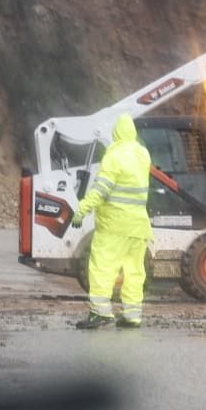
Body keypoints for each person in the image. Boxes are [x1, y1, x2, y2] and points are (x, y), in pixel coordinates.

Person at [72, 113, 153, 330]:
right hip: (138, 227)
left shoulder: (114, 156)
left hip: (114, 226)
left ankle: (100, 313)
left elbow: (100, 190)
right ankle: (132, 316)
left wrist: (81, 210)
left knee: (102, 268)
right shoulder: (143, 155)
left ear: (116, 133)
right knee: (134, 272)